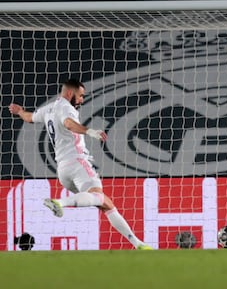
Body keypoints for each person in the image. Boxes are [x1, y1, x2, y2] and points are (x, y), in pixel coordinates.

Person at [9, 78, 152, 250]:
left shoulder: (49, 108)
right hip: (77, 162)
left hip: (62, 170)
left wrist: (19, 111)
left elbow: (30, 117)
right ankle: (60, 203)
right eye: (81, 95)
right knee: (99, 197)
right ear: (70, 93)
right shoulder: (66, 108)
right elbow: (69, 123)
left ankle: (138, 244)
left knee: (105, 204)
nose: (82, 100)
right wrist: (90, 131)